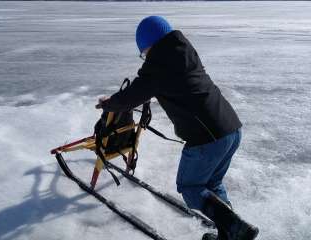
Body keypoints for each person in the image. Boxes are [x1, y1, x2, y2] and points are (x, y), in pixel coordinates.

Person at [97, 16, 259, 240]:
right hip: (231, 129)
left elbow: (132, 96)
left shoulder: (158, 64)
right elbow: (174, 86)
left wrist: (108, 103)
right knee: (212, 184)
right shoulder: (183, 51)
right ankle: (229, 233)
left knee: (190, 188)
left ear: (148, 45)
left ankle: (236, 227)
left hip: (207, 138)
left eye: (143, 52)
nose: (144, 57)